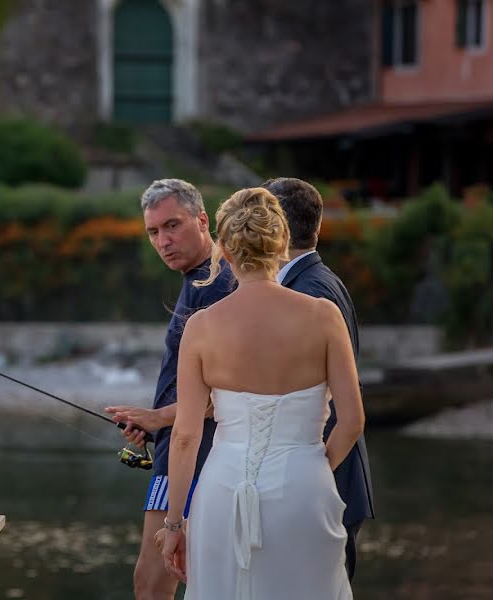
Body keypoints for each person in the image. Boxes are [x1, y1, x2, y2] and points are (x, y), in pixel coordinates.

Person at [161, 187, 364, 598]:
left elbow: (185, 436)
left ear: (225, 251)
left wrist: (174, 525)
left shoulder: (201, 327)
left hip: (220, 493)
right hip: (305, 488)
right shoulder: (323, 316)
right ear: (282, 244)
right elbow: (353, 420)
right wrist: (314, 465)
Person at [105, 178, 234, 600]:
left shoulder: (214, 285)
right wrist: (154, 424)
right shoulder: (197, 279)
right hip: (177, 444)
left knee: (153, 579)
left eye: (173, 226)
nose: (163, 240)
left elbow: (230, 387)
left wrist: (161, 418)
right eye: (154, 232)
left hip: (192, 452)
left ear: (202, 220)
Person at [263, 176, 375, 580]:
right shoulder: (318, 280)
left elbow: (336, 402)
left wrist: (311, 473)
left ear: (279, 228)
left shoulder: (311, 292)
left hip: (326, 479)